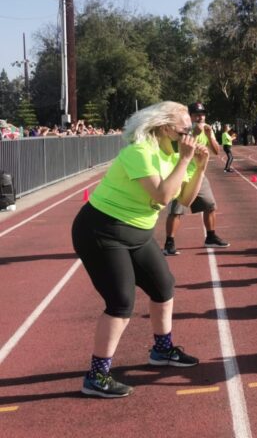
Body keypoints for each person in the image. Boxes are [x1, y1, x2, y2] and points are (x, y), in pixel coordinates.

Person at [71, 101, 207, 398]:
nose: (191, 132)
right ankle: (96, 376)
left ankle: (162, 351)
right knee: (121, 302)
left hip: (139, 233)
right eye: (185, 127)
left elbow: (184, 200)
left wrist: (199, 166)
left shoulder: (172, 154)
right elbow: (161, 195)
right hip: (102, 231)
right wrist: (186, 160)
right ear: (164, 126)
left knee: (164, 287)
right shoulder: (139, 152)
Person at [164, 102, 229, 255]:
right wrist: (194, 133)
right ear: (190, 116)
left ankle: (210, 237)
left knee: (210, 205)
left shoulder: (207, 129)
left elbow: (216, 151)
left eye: (203, 114)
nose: (201, 117)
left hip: (197, 173)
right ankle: (169, 243)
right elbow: (179, 148)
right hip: (179, 173)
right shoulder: (183, 128)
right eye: (197, 115)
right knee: (176, 211)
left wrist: (208, 135)